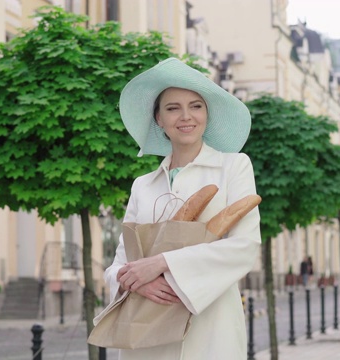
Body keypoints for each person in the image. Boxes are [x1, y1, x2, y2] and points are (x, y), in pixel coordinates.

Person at [103, 58, 261, 359]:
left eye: (196, 106)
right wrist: (135, 284)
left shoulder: (233, 167)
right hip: (146, 336)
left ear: (207, 113)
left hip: (211, 331)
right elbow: (118, 265)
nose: (185, 116)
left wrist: (162, 264)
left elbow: (244, 247)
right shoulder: (143, 185)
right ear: (159, 119)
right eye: (173, 108)